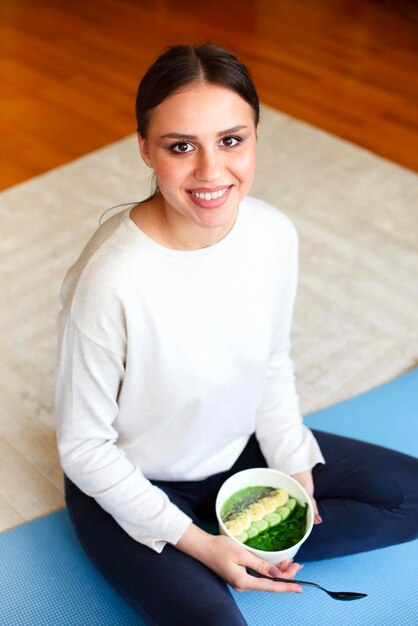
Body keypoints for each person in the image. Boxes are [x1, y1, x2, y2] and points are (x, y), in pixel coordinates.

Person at [55, 44, 418, 626]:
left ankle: (229, 555)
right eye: (180, 147)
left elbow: (270, 362)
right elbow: (83, 449)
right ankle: (210, 555)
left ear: (254, 137)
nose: (211, 172)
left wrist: (295, 475)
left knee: (413, 494)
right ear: (145, 148)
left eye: (231, 140)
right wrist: (196, 542)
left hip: (237, 452)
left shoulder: (273, 235)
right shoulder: (111, 280)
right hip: (132, 482)